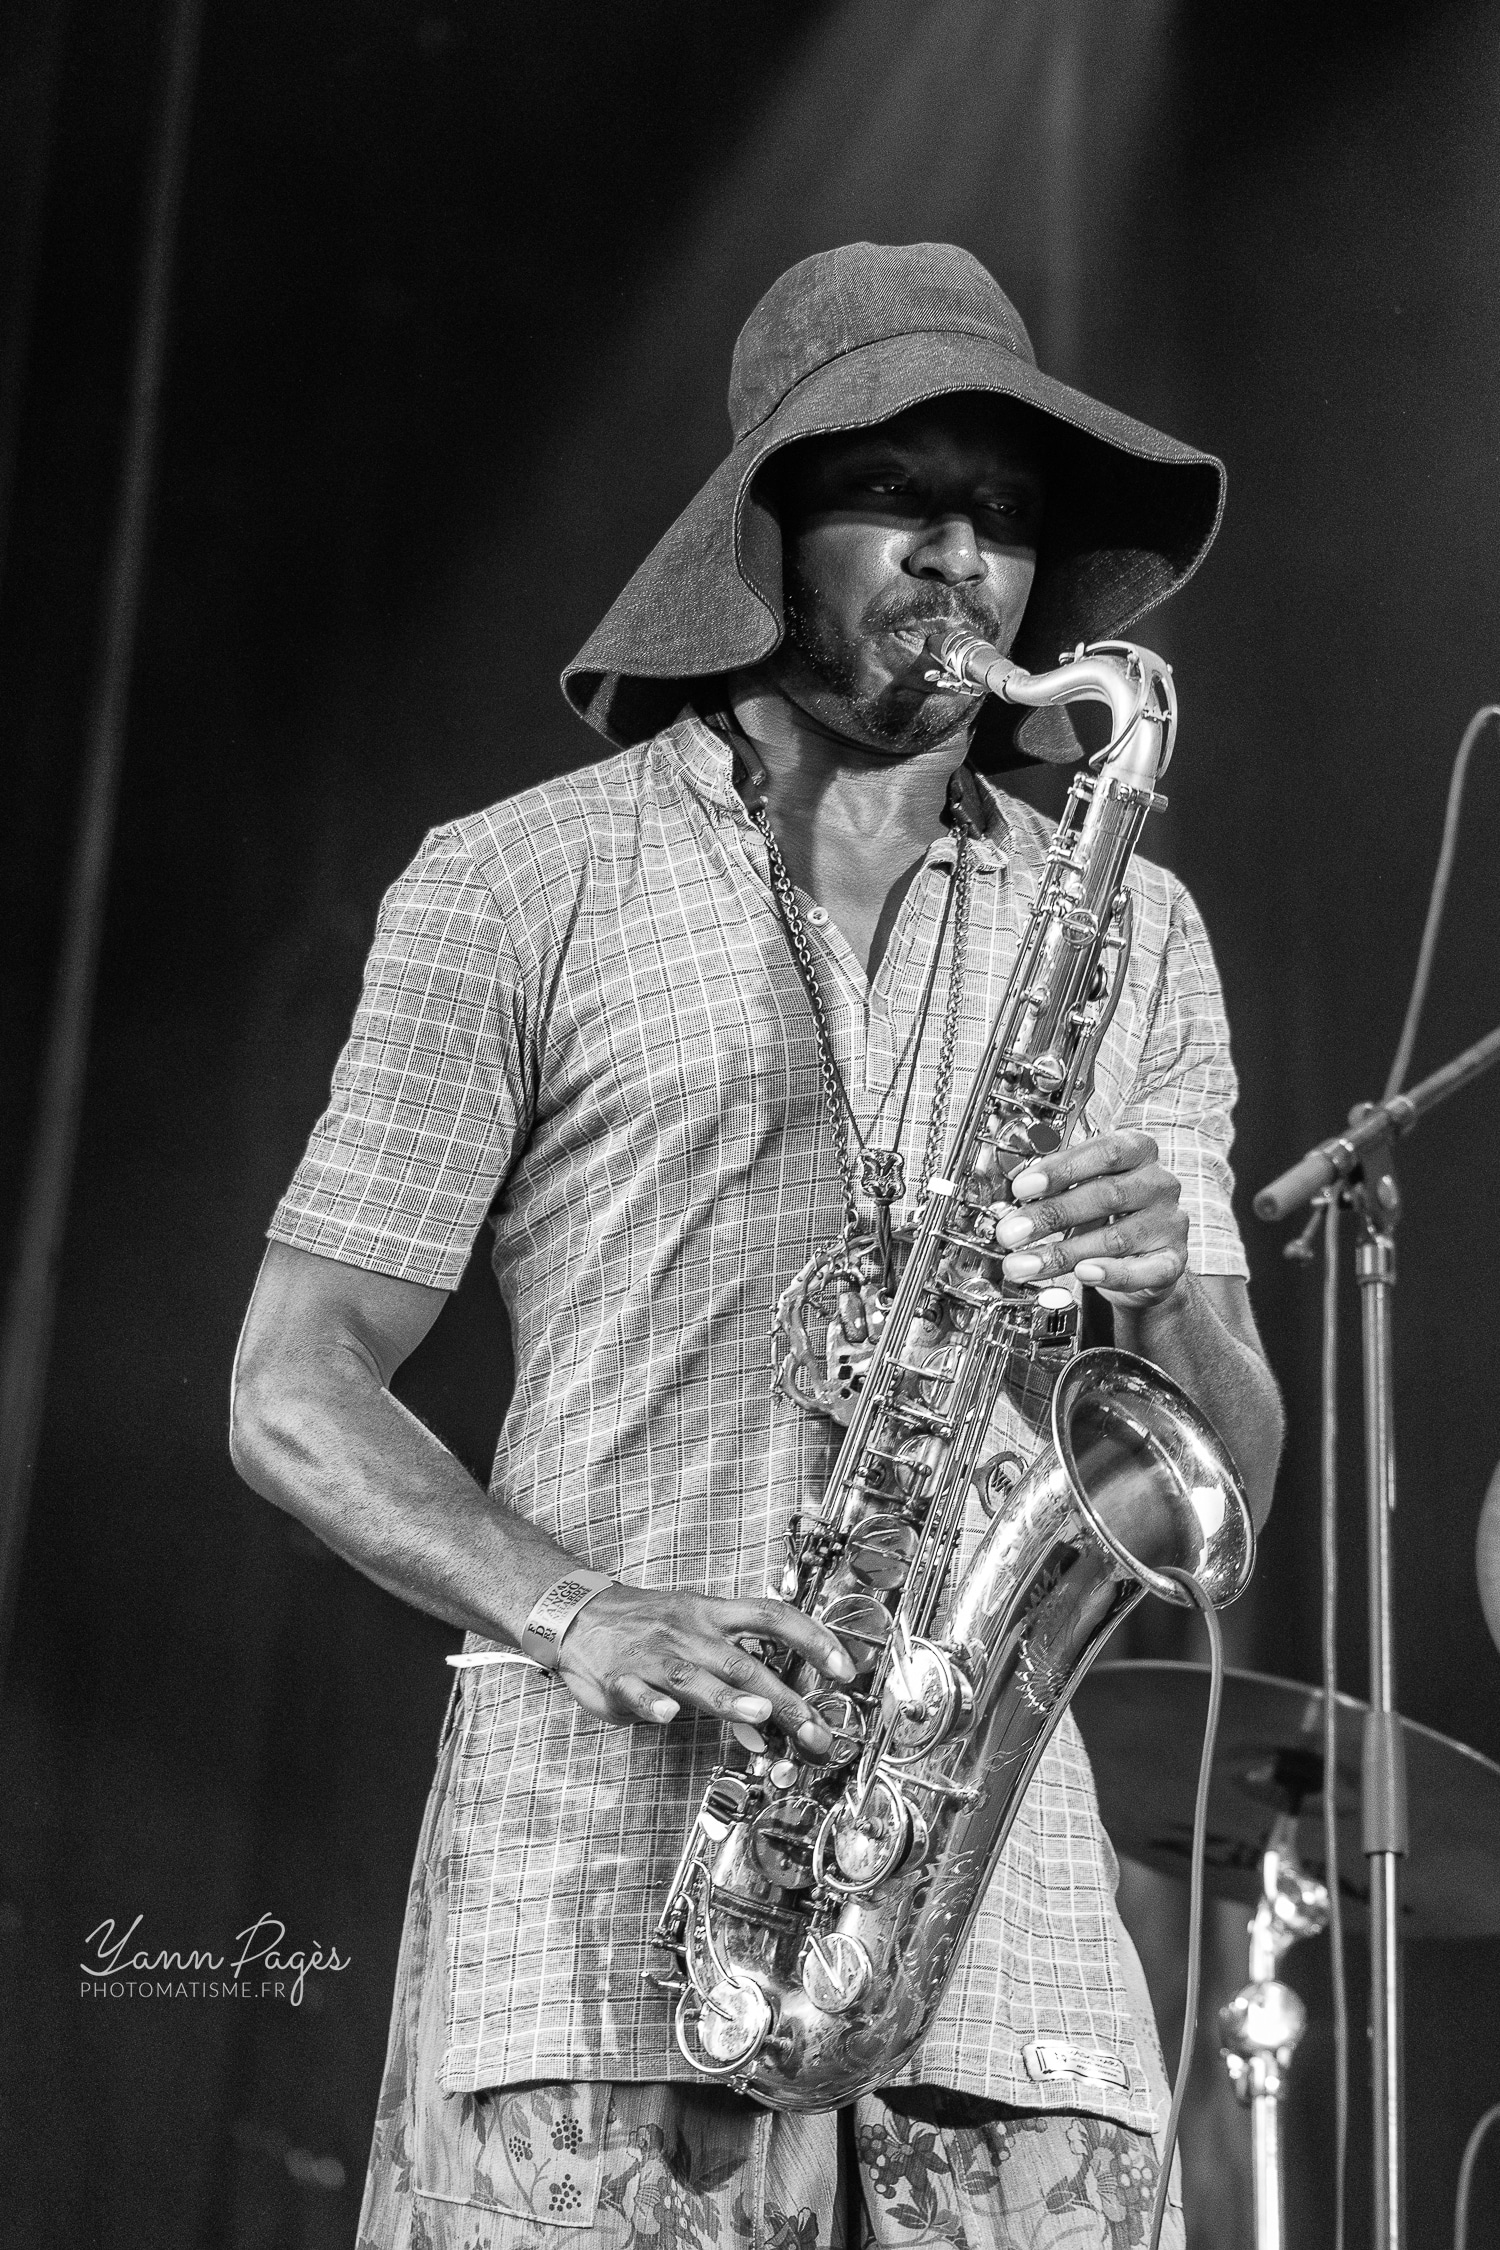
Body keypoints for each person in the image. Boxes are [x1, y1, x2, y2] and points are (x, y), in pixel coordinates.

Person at [231, 240, 1283, 2248]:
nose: (961, 558)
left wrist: (1164, 1283)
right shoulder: (516, 880)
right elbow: (290, 1385)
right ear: (767, 528)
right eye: (901, 496)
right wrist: (575, 1608)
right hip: (601, 1923)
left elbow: (1222, 1468)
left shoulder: (1135, 926)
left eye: (1004, 516)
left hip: (1012, 1977)